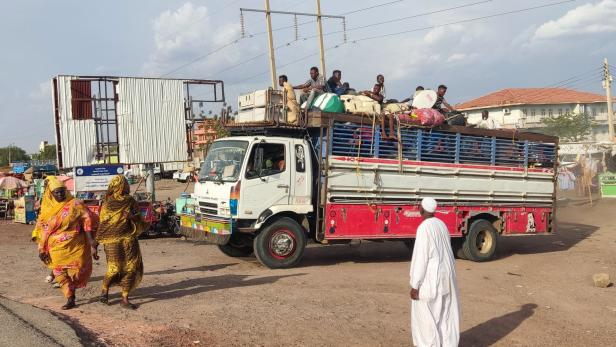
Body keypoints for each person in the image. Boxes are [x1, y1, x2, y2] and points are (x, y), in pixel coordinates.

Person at [32, 176, 98, 310]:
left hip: (76, 244)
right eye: (56, 192)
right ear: (51, 194)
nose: (60, 194)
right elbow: (42, 230)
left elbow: (88, 220)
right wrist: (41, 249)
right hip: (55, 248)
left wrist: (92, 241)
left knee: (79, 269)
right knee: (58, 273)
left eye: (62, 190)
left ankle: (72, 286)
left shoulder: (75, 204)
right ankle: (70, 297)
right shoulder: (47, 209)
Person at [409, 197, 460, 347]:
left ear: (422, 209)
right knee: (445, 317)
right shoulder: (442, 224)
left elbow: (421, 257)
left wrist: (415, 285)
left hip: (431, 280)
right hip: (447, 278)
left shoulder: (424, 227)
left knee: (426, 320)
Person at [96, 175, 149, 309]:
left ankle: (125, 297)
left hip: (129, 240)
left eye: (127, 184)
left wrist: (132, 217)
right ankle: (104, 290)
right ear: (117, 187)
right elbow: (103, 225)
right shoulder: (107, 204)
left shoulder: (130, 201)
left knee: (131, 268)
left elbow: (140, 219)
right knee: (114, 268)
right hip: (112, 242)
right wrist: (94, 246)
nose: (127, 186)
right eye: (124, 184)